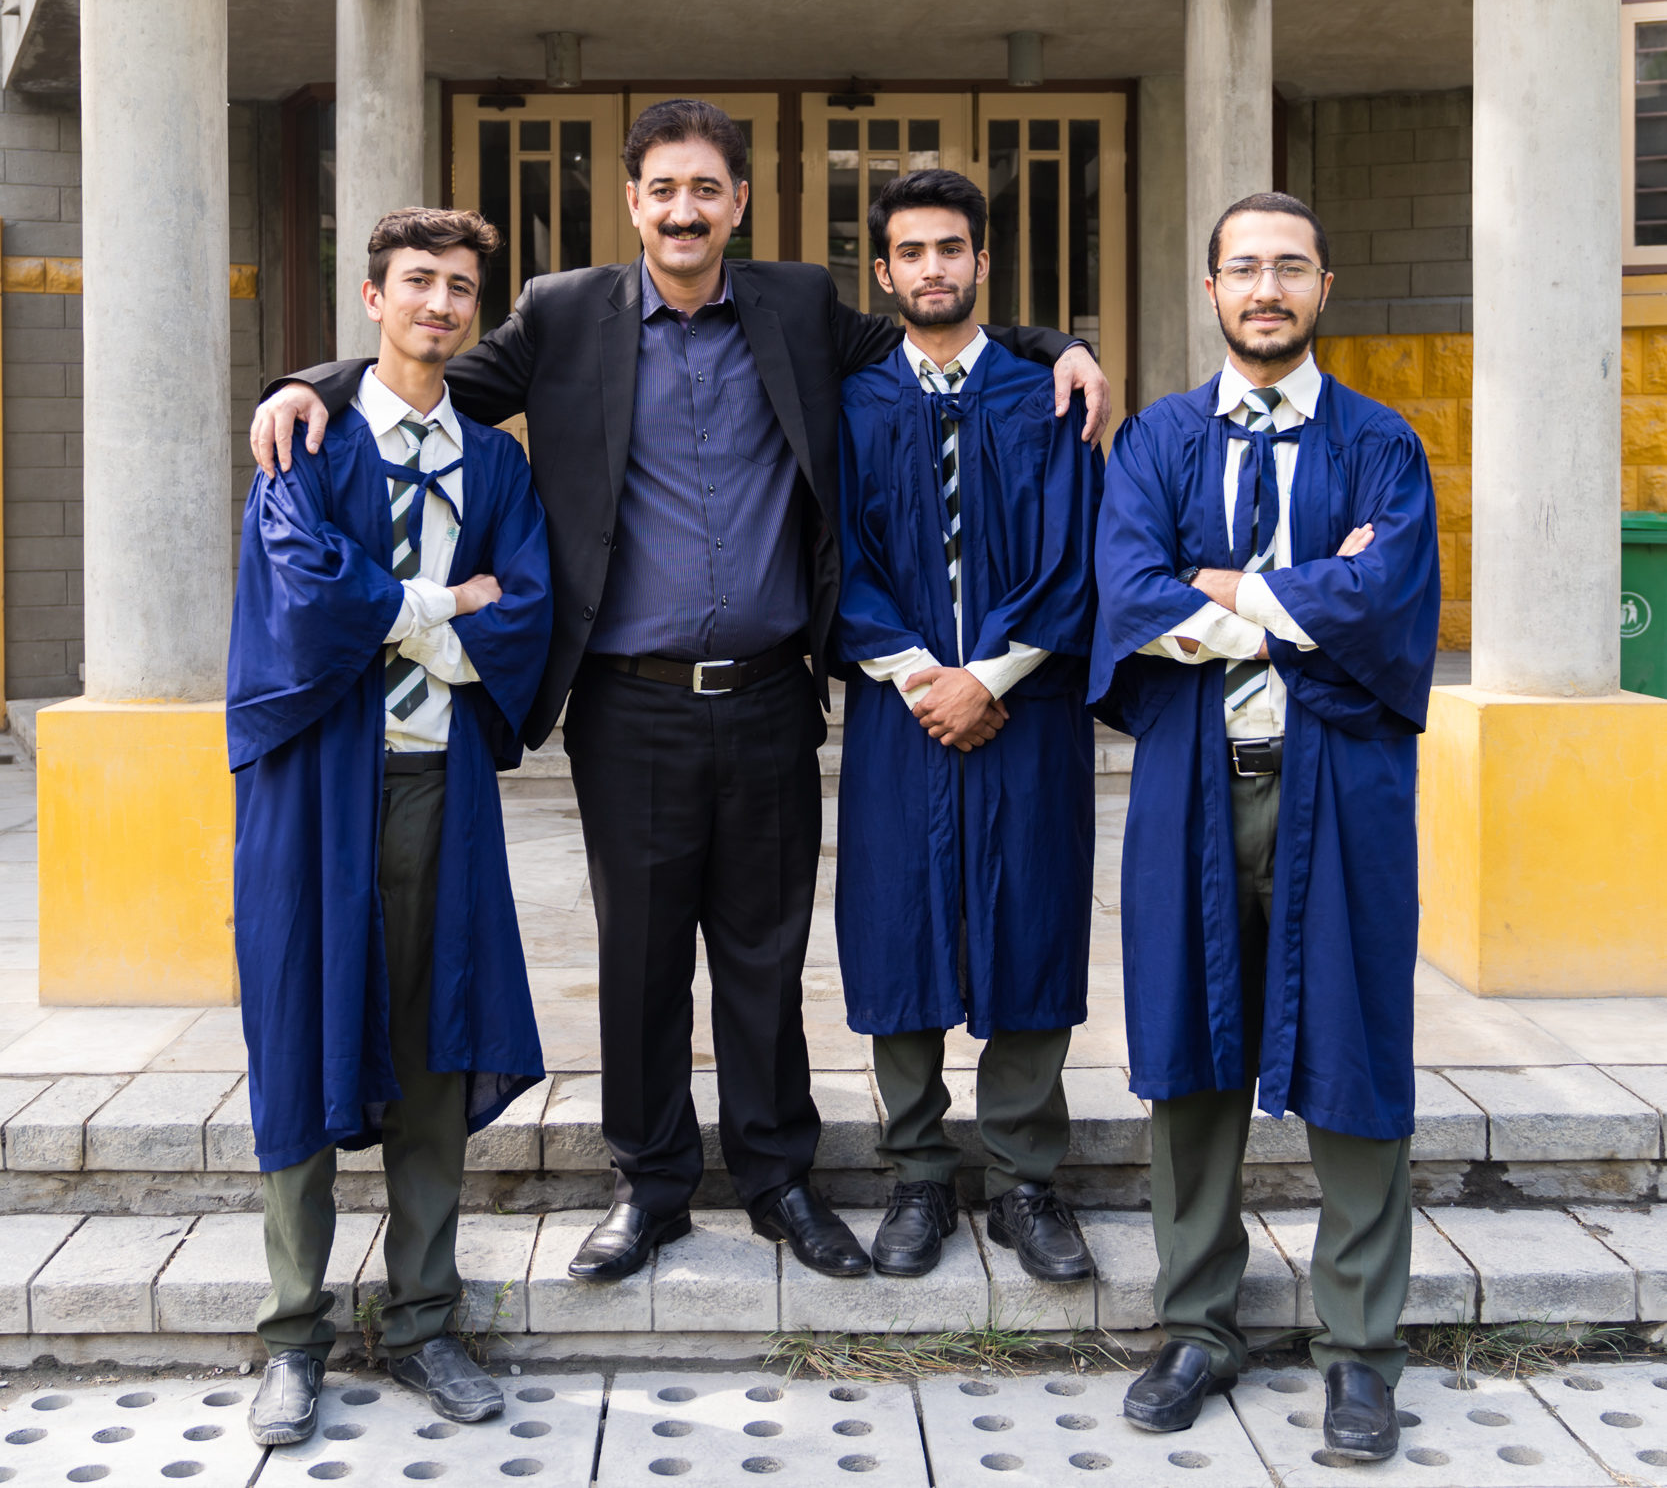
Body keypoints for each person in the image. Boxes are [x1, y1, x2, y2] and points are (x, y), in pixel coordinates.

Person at [249, 100, 1112, 1287]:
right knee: (641, 955)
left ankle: (777, 1178)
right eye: (662, 188)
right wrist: (312, 380)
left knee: (765, 952)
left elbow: (932, 331)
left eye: (706, 188)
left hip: (767, 692)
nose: (684, 209)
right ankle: (649, 1182)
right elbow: (435, 360)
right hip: (628, 701)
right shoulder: (561, 315)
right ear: (633, 200)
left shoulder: (799, 307)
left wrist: (1057, 342)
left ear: (738, 203)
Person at [1089, 193, 1439, 1461]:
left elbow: (1389, 602)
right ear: (1209, 289)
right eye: (1243, 268)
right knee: (1190, 1051)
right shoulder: (1157, 444)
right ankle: (1195, 1324)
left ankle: (1359, 1352)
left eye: (1288, 266)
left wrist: (1227, 586)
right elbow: (1127, 593)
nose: (1265, 288)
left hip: (1340, 789)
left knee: (1355, 1053)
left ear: (1324, 288)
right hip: (1193, 784)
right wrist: (1306, 600)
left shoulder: (1382, 445)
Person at [230, 208, 553, 1446]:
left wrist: (417, 615)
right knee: (302, 1039)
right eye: (417, 281)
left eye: (461, 287)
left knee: (433, 1047)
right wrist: (436, 602)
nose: (440, 303)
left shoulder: (498, 463)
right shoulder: (304, 438)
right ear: (372, 299)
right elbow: (309, 597)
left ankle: (423, 1315)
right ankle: (292, 1330)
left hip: (440, 787)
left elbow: (523, 611)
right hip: (316, 790)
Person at [833, 170, 1101, 1283]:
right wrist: (917, 676)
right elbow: (829, 557)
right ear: (883, 270)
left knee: (1030, 913)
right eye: (911, 251)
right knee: (899, 920)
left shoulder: (1050, 393)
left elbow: (1077, 546)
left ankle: (1025, 1177)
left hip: (1024, 708)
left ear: (983, 262)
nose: (933, 267)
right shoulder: (848, 405)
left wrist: (988, 675)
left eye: (952, 248)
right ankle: (915, 1174)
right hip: (900, 711)